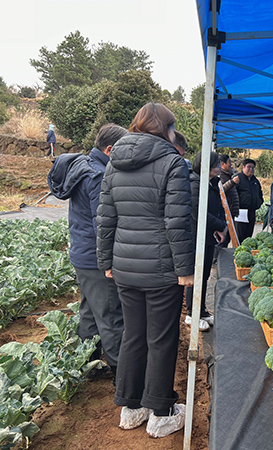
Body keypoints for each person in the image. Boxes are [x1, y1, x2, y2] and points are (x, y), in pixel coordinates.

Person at [97, 102, 194, 438]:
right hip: (161, 269)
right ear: (166, 129)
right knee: (162, 338)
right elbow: (177, 221)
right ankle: (161, 412)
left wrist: (105, 261)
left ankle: (130, 407)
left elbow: (106, 217)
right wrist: (185, 269)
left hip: (124, 267)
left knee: (133, 335)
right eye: (172, 128)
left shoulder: (114, 163)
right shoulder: (172, 163)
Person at [47, 123, 127, 383]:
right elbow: (101, 224)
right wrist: (110, 260)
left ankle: (90, 364)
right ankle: (120, 373)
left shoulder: (82, 168)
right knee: (110, 314)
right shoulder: (99, 175)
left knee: (90, 311)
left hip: (82, 255)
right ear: (110, 149)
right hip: (95, 258)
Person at [185, 151, 226, 329]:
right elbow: (197, 212)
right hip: (196, 237)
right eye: (216, 165)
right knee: (196, 276)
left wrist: (221, 225)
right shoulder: (195, 183)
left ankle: (201, 310)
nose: (218, 168)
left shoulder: (211, 183)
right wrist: (219, 224)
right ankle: (191, 314)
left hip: (208, 237)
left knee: (205, 275)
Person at [234, 158, 263, 242]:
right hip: (241, 212)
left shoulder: (255, 180)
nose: (251, 169)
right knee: (240, 235)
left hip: (252, 211)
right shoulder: (237, 178)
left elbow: (259, 193)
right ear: (243, 167)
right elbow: (232, 194)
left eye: (253, 168)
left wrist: (259, 202)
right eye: (249, 167)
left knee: (248, 235)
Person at [217, 153, 239, 248]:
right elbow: (221, 190)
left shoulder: (229, 174)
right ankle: (217, 259)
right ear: (223, 164)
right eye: (229, 162)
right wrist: (232, 182)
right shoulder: (220, 175)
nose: (230, 165)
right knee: (224, 238)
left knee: (229, 237)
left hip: (231, 211)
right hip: (225, 212)